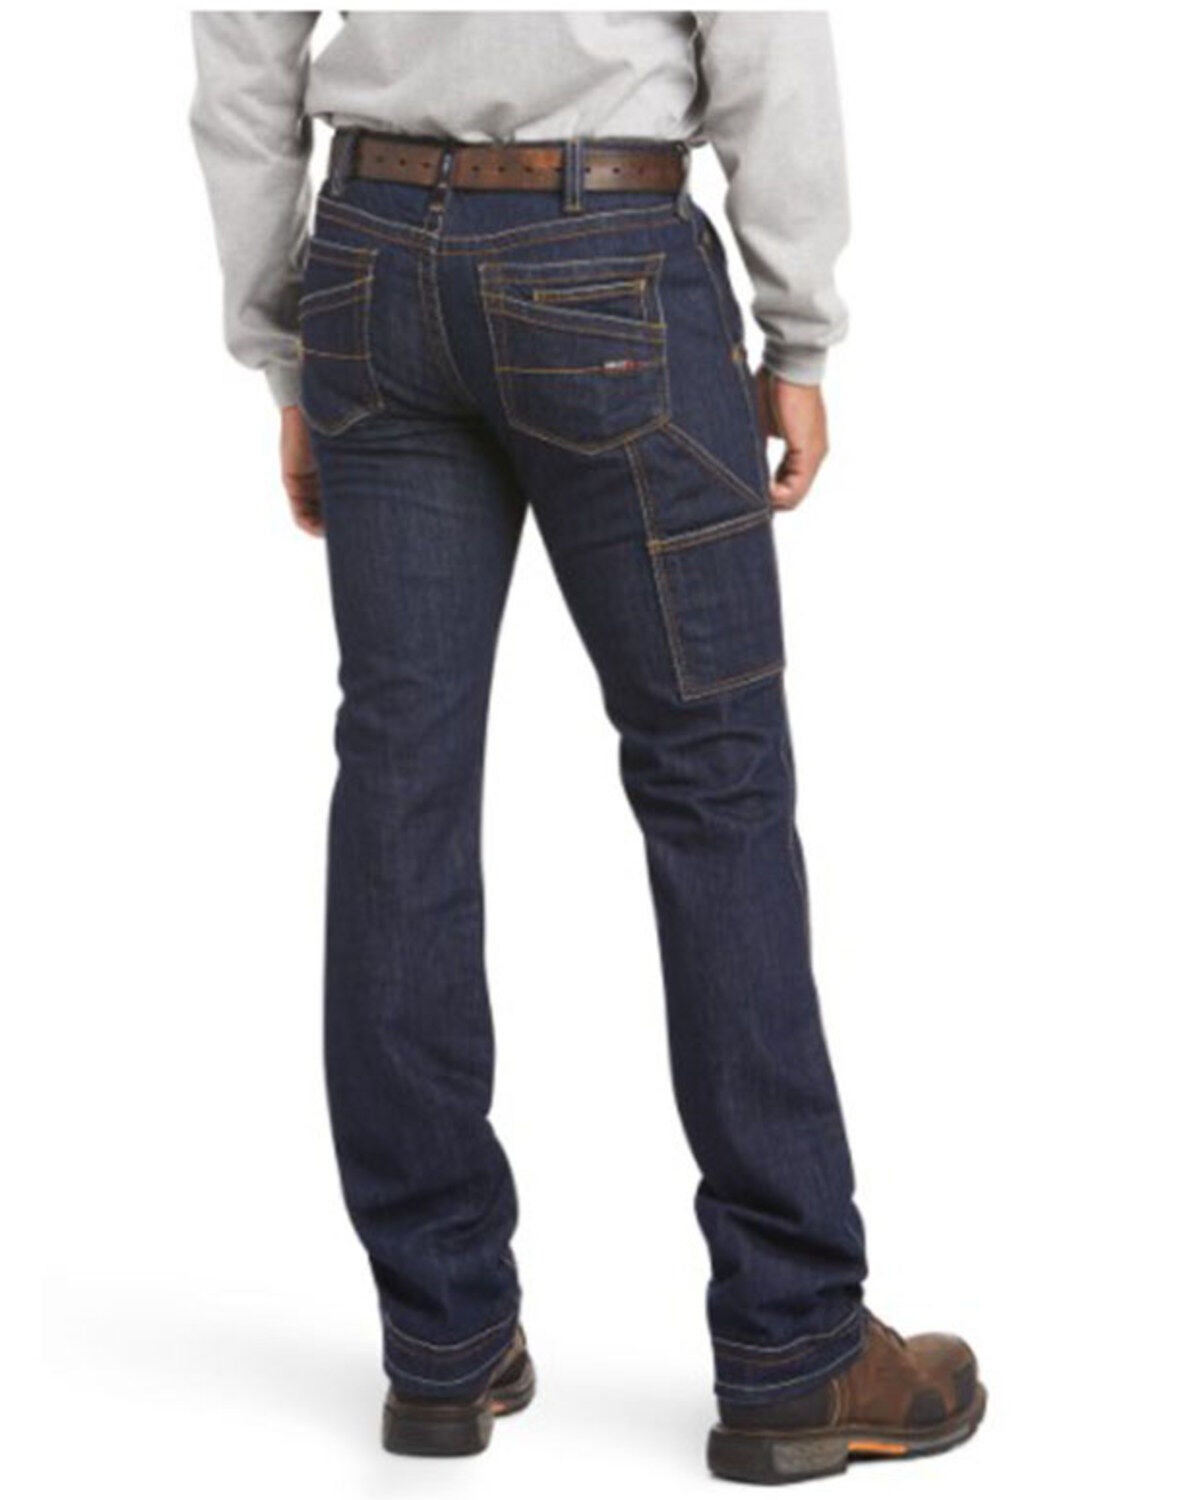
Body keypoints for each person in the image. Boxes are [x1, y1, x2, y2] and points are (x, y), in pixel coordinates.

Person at [190, 11, 985, 1484]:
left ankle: (440, 1340)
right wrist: (799, 329)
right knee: (714, 783)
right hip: (602, 259)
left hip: (370, 269)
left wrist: (284, 352)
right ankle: (795, 1348)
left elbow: (244, 44)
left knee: (401, 789)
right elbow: (762, 35)